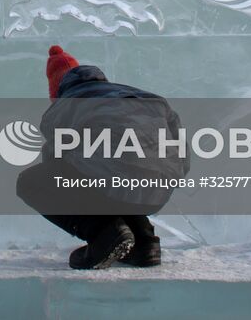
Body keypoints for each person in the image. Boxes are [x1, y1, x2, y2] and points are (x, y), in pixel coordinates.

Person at [16, 45, 187, 270]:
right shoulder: (148, 97)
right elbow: (181, 149)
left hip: (113, 181)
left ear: (56, 91)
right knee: (117, 170)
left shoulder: (64, 106)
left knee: (32, 182)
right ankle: (145, 244)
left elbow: (55, 166)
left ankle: (103, 235)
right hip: (159, 188)